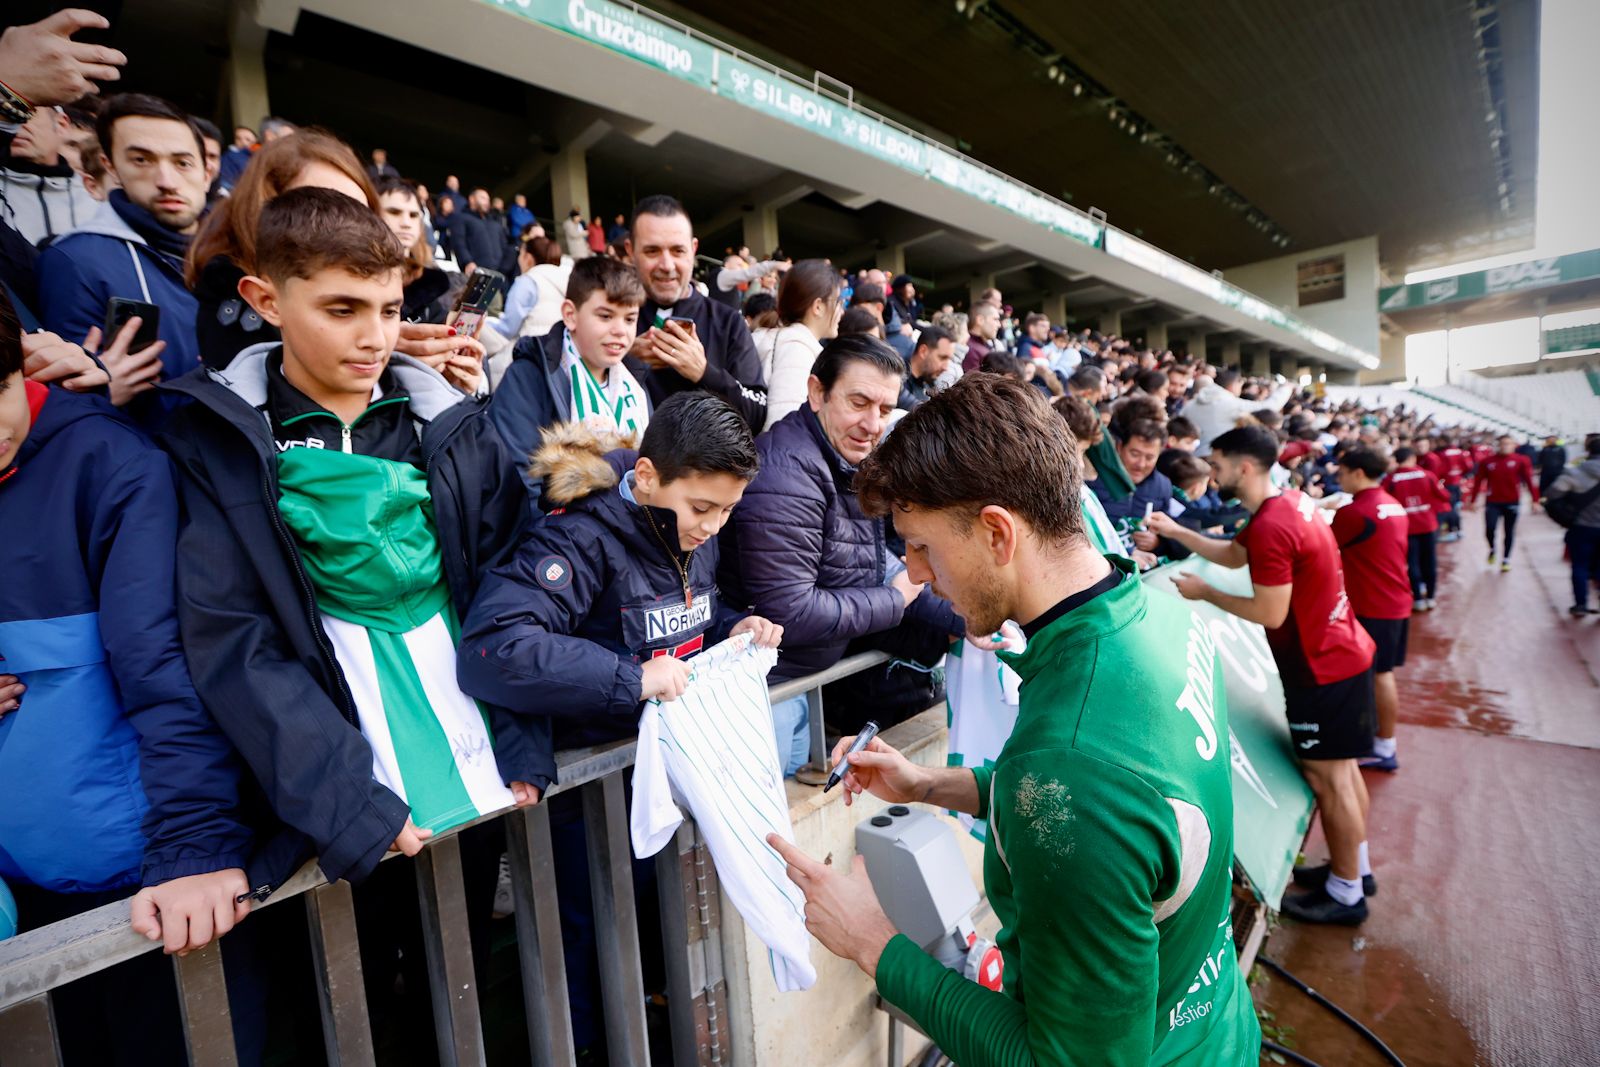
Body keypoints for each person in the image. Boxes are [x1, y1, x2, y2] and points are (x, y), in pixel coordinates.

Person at [769, 373, 1258, 1066]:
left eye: (920, 546)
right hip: (1216, 1033)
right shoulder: (1152, 609)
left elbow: (1062, 1061)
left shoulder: (1069, 770)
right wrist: (933, 784)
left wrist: (872, 942)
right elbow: (1132, 811)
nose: (914, 572)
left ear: (998, 532)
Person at [161, 188, 551, 900]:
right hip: (329, 817)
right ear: (265, 299)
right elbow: (236, 639)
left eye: (392, 309)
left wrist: (524, 732)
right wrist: (339, 794)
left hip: (484, 769)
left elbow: (509, 585)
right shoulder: (215, 441)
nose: (375, 336)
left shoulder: (452, 423)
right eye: (343, 309)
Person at [458, 391, 782, 1052]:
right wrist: (629, 679)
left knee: (641, 934)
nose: (714, 526)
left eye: (727, 510)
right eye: (701, 508)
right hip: (588, 799)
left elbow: (686, 617)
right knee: (588, 943)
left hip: (659, 778)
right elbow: (496, 647)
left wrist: (734, 627)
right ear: (646, 477)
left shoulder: (689, 529)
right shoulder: (578, 537)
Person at [0, 288, 259, 1065]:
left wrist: (194, 844)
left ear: (22, 363)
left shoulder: (109, 461)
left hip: (145, 880)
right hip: (24, 889)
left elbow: (166, 665)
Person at [1149, 427, 1376, 925]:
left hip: (1324, 667)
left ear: (1244, 467)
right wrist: (1180, 533)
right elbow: (1235, 553)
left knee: (1330, 777)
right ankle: (1354, 868)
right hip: (1341, 655)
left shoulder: (1273, 525)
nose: (1212, 470)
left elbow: (1271, 612)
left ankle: (1346, 893)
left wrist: (1204, 593)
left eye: (1218, 461)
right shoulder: (1287, 503)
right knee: (1343, 771)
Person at [720, 334, 962, 771]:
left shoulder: (844, 460)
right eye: (859, 402)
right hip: (767, 693)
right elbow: (789, 612)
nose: (872, 423)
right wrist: (896, 599)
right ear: (817, 392)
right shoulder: (786, 474)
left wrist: (961, 618)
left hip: (800, 687)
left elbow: (874, 568)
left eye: (884, 409)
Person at [36, 93, 209, 429]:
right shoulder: (75, 260)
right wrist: (100, 391)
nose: (167, 181)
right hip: (156, 467)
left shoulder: (241, 256)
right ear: (111, 166)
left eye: (182, 162)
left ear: (207, 171)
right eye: (142, 160)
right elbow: (70, 407)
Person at [492, 255, 651, 508]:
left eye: (629, 319)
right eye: (606, 316)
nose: (620, 330)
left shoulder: (637, 382)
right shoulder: (529, 376)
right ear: (570, 315)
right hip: (560, 538)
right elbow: (519, 481)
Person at [624, 195, 768, 429]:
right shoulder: (612, 317)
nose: (667, 265)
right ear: (630, 250)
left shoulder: (729, 322)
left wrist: (704, 372)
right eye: (652, 251)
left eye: (678, 251)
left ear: (693, 249)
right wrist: (622, 356)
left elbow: (757, 413)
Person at [1332, 447, 1414, 773]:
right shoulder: (1392, 505)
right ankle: (1379, 741)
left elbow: (1319, 545)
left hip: (1373, 605)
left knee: (1378, 675)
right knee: (1380, 674)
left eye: (1341, 472)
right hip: (1393, 600)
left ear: (1357, 473)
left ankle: (1382, 745)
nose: (1338, 478)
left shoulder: (1355, 512)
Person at [749, 258, 841, 430]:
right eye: (838, 302)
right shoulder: (795, 349)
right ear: (818, 306)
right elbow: (783, 427)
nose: (841, 311)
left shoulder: (784, 339)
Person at [1, 103, 99, 245]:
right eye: (4, 116)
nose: (14, 122)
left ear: (61, 124)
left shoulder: (97, 199)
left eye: (25, 112)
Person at [375, 176, 451, 325]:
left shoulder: (426, 282)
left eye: (413, 215)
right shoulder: (356, 278)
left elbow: (438, 317)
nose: (406, 223)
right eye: (394, 212)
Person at [1384, 447, 1450, 610]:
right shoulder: (1427, 475)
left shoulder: (1391, 479)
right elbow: (1444, 495)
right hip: (1428, 524)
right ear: (1412, 458)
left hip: (1406, 527)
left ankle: (1418, 599)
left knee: (1412, 562)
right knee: (1429, 561)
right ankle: (1431, 596)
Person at [1547, 434, 1600, 617]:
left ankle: (1580, 605)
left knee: (1580, 565)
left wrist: (1565, 515)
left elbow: (1553, 494)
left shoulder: (1575, 472)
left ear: (1588, 451)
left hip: (1581, 526)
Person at [1469, 433, 1539, 571]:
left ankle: (1506, 559)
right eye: (1503, 444)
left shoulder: (1521, 460)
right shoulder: (1487, 461)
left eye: (1508, 443)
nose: (1505, 446)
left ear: (1514, 445)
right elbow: (1478, 481)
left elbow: (1530, 481)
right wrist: (1473, 500)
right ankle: (1492, 549)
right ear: (1498, 445)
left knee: (1509, 531)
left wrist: (1535, 500)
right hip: (1493, 502)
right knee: (1490, 529)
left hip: (1512, 501)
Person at [1185, 368, 1293, 455]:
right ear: (1233, 385)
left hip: (1189, 457)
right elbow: (1268, 407)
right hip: (1211, 458)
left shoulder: (1191, 404)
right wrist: (1286, 389)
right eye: (1240, 385)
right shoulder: (1229, 404)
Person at [514, 234, 571, 339]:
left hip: (531, 347)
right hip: (560, 345)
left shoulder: (528, 280)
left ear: (528, 258)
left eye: (520, 254)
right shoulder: (567, 278)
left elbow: (509, 329)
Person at [898, 324, 954, 410]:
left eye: (948, 359)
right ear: (923, 351)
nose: (945, 367)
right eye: (942, 358)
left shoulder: (929, 383)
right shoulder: (896, 378)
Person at [961, 300, 1000, 372]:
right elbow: (972, 383)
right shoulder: (970, 350)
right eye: (995, 319)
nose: (999, 325)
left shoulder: (983, 346)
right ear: (980, 320)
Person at [217, 124, 255, 192]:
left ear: (255, 142)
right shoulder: (227, 157)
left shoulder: (255, 156)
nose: (243, 142)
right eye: (238, 138)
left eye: (248, 139)